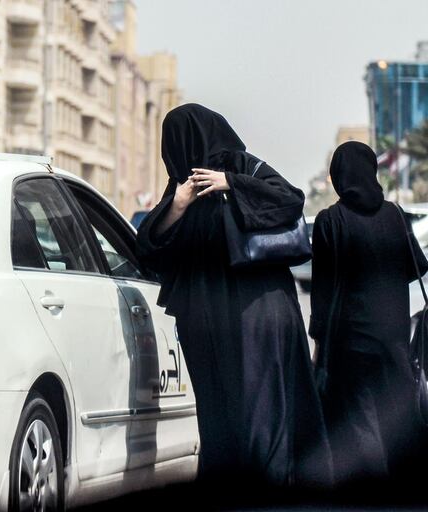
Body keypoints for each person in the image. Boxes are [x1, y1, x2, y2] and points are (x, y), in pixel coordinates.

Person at [137, 104, 332, 488]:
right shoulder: (179, 186)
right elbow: (148, 249)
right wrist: (177, 207)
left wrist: (231, 182)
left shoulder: (238, 163)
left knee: (262, 404)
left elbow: (290, 199)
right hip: (205, 315)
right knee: (217, 405)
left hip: (256, 308)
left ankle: (272, 485)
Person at [310, 141, 428, 486]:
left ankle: (371, 490)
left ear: (337, 178)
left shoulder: (330, 220)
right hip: (393, 340)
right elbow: (417, 266)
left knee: (358, 421)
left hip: (350, 343)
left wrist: (319, 343)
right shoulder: (394, 214)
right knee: (396, 416)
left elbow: (323, 290)